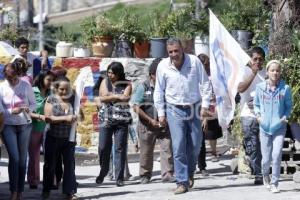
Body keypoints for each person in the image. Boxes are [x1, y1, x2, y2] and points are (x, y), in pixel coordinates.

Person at [153, 38, 211, 194]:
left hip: (194, 107)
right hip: (174, 108)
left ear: (182, 49)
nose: (173, 54)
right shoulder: (163, 66)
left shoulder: (194, 62)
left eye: (176, 51)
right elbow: (159, 90)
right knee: (178, 146)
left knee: (195, 144)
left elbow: (205, 84)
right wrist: (161, 113)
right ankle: (182, 181)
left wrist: (205, 106)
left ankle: (190, 171)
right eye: (170, 52)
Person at [133, 58, 175, 184]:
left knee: (167, 149)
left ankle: (167, 174)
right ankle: (145, 175)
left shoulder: (167, 86)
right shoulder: (143, 87)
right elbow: (136, 107)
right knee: (146, 152)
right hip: (147, 125)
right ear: (152, 75)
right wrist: (150, 120)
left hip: (164, 124)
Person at [254, 60, 292, 193]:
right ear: (267, 72)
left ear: (280, 72)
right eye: (272, 70)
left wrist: (284, 117)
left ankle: (275, 183)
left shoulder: (285, 88)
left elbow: (289, 106)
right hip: (264, 127)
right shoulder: (260, 87)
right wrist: (258, 117)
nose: (275, 73)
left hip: (279, 127)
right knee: (266, 159)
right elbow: (256, 104)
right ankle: (266, 176)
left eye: (277, 70)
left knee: (276, 155)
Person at [0, 63, 36, 200]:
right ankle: (13, 191)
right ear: (5, 75)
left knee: (22, 160)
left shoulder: (26, 86)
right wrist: (11, 111)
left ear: (19, 74)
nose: (12, 81)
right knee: (14, 159)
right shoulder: (1, 87)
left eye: (14, 77)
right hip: (8, 125)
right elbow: (0, 110)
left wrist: (28, 109)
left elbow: (33, 103)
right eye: (9, 78)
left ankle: (20, 190)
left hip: (25, 124)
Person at [96, 62, 132, 187]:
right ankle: (103, 171)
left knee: (120, 149)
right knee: (103, 147)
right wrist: (117, 96)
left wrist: (110, 96)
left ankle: (119, 177)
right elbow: (102, 98)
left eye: (112, 73)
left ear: (119, 73)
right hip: (106, 120)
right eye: (109, 72)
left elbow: (126, 98)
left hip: (122, 121)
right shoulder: (104, 82)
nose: (110, 75)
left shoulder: (127, 83)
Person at [42, 76, 77, 200]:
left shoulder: (73, 99)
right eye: (62, 89)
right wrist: (65, 118)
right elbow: (48, 118)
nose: (64, 92)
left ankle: (69, 192)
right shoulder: (51, 99)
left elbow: (80, 115)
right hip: (52, 137)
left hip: (68, 139)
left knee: (69, 165)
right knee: (50, 165)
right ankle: (46, 190)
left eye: (67, 89)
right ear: (56, 88)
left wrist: (76, 117)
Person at [237, 47, 266, 185]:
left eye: (260, 59)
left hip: (265, 115)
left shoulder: (268, 72)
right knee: (253, 146)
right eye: (255, 59)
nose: (258, 62)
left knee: (265, 145)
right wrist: (253, 73)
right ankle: (258, 173)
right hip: (248, 116)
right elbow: (241, 88)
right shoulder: (245, 71)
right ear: (250, 60)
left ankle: (264, 171)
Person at [27, 70, 55, 189]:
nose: (51, 82)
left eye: (52, 80)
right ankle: (33, 180)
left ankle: (51, 181)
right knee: (34, 155)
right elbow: (27, 111)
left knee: (51, 155)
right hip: (34, 127)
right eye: (48, 80)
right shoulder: (32, 92)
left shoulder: (53, 93)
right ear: (42, 79)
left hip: (49, 128)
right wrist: (39, 116)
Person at [197, 54, 223, 176]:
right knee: (198, 140)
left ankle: (203, 166)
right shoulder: (195, 78)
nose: (206, 67)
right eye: (204, 65)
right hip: (197, 112)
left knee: (208, 136)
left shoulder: (213, 77)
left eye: (207, 64)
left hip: (212, 109)